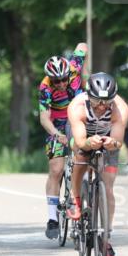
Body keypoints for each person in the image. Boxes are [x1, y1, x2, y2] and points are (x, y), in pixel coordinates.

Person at [67, 73, 128, 256]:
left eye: (106, 101)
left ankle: (106, 239)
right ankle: (75, 197)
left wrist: (112, 142)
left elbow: (118, 141)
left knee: (108, 189)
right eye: (97, 101)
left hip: (108, 139)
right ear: (88, 96)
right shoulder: (77, 107)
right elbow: (79, 141)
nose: (102, 106)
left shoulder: (120, 108)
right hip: (84, 137)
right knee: (80, 157)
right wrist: (88, 143)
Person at [38, 43, 87, 240]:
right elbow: (44, 118)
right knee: (56, 169)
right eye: (56, 80)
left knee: (83, 153)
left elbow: (82, 46)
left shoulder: (75, 67)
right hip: (56, 123)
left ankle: (84, 195)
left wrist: (81, 50)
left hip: (77, 116)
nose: (60, 83)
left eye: (63, 79)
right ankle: (52, 219)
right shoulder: (45, 87)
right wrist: (56, 135)